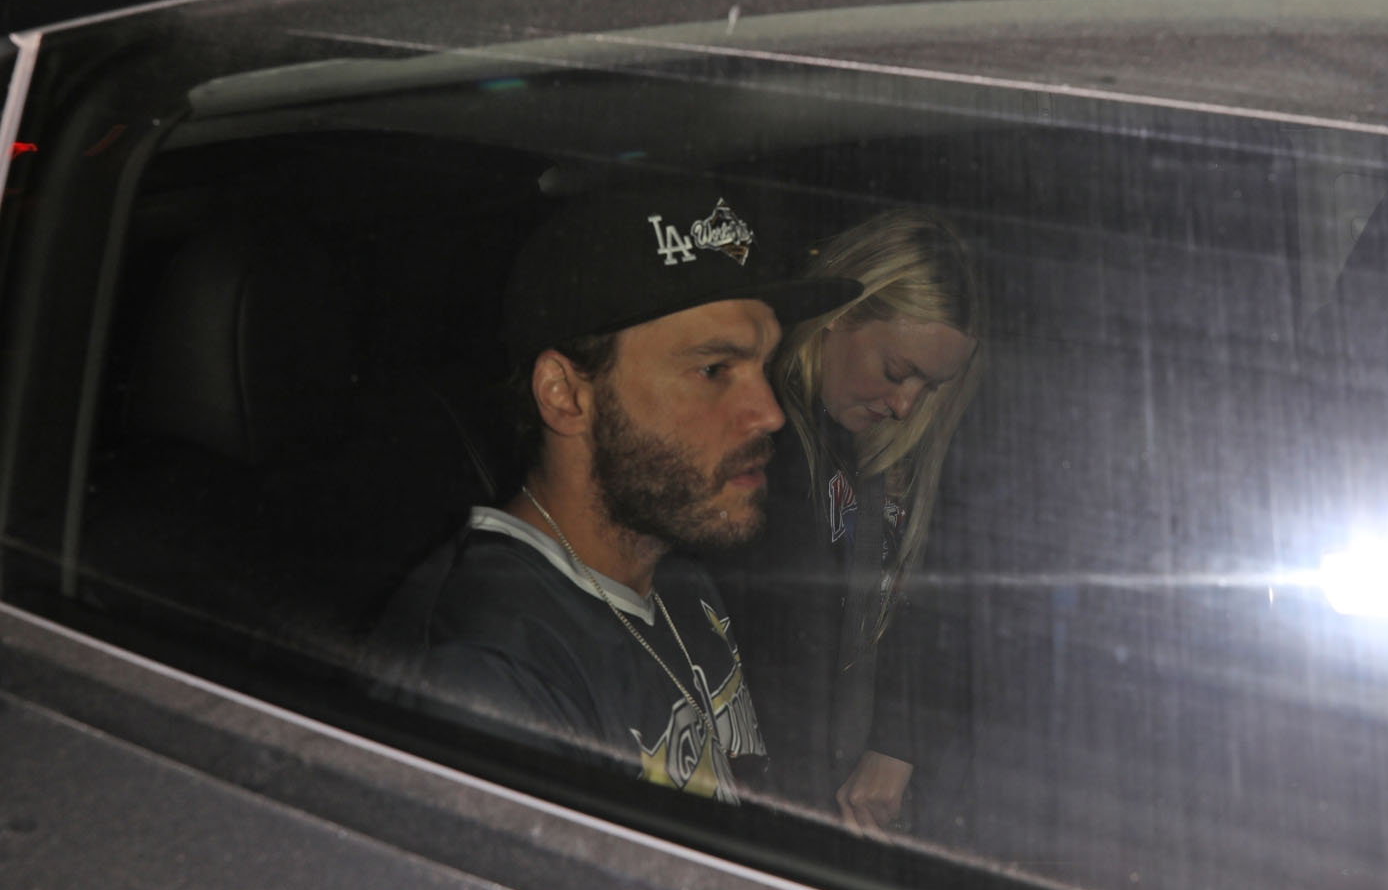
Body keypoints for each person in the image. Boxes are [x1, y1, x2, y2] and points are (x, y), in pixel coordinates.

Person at [371, 186, 859, 803]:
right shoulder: (486, 673)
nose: (770, 413)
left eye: (764, 366)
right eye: (713, 370)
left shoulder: (670, 562)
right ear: (565, 395)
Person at [714, 209, 985, 829]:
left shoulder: (914, 452)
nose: (907, 404)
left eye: (930, 386)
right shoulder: (759, 441)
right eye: (897, 372)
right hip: (775, 801)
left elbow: (955, 602)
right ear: (838, 314)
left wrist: (899, 736)